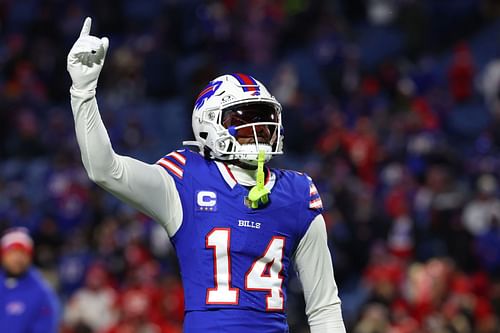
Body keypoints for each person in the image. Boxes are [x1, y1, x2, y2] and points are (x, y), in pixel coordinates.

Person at [67, 17, 346, 332]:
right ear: (208, 124)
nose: (259, 130)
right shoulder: (186, 179)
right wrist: (84, 93)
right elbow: (105, 169)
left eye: (266, 120)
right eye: (244, 119)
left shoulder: (296, 193)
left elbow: (324, 307)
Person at [0, 228, 59, 333]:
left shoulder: (42, 292)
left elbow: (45, 328)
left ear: (30, 256)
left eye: (22, 253)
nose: (17, 258)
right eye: (12, 252)